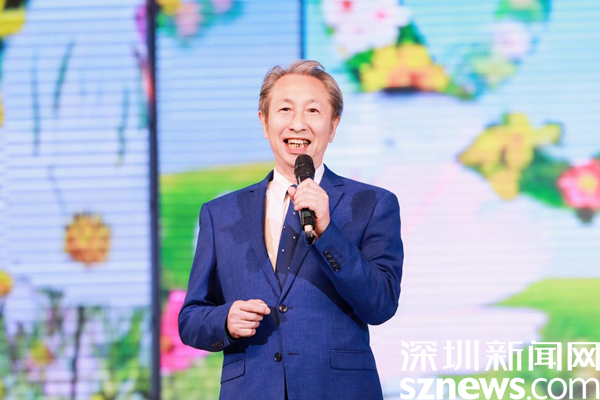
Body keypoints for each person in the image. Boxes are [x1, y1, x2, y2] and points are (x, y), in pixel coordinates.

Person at [179, 60, 404, 400]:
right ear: (264, 121)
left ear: (333, 125)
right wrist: (225, 320)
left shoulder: (372, 203)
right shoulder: (220, 214)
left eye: (313, 110)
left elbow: (381, 304)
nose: (298, 123)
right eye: (285, 109)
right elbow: (191, 318)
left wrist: (327, 232)